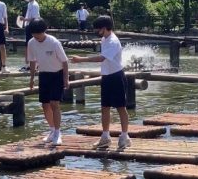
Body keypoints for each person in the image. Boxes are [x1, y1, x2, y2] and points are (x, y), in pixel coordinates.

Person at [70, 15, 131, 151]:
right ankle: (105, 137)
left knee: (121, 107)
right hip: (106, 76)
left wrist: (81, 60)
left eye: (98, 29)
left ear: (104, 28)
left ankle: (125, 136)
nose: (97, 32)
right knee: (105, 107)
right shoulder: (105, 39)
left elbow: (102, 58)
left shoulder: (113, 41)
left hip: (116, 76)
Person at [28, 18, 69, 146]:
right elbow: (33, 61)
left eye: (38, 34)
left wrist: (65, 78)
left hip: (56, 74)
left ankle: (58, 132)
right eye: (33, 34)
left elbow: (65, 61)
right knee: (45, 105)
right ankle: (51, 130)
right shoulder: (31, 43)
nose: (36, 36)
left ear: (44, 31)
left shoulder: (54, 42)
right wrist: (32, 78)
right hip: (43, 74)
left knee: (54, 104)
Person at [19, 0, 40, 72]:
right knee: (28, 46)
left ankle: (34, 65)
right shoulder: (29, 4)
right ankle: (28, 65)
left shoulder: (34, 5)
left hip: (33, 27)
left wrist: (24, 19)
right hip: (28, 26)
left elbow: (35, 18)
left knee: (32, 46)